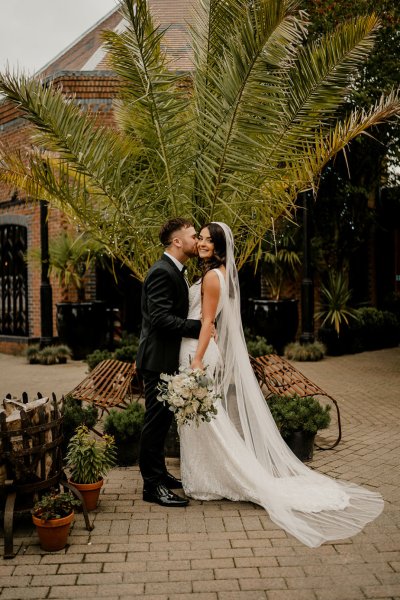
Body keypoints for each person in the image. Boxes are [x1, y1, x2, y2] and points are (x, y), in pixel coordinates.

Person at [179, 221, 384, 547]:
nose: (202, 243)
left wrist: (198, 361)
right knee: (205, 419)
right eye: (200, 238)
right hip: (201, 350)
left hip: (200, 354)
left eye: (207, 240)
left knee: (209, 421)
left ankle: (225, 479)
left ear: (219, 247)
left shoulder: (210, 277)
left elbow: (207, 322)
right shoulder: (216, 275)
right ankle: (207, 477)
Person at [136, 217, 202, 507]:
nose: (197, 240)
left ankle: (160, 474)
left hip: (166, 358)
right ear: (177, 241)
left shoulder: (176, 270)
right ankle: (152, 487)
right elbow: (161, 319)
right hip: (157, 360)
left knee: (162, 422)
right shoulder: (162, 272)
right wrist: (197, 327)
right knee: (154, 422)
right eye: (192, 235)